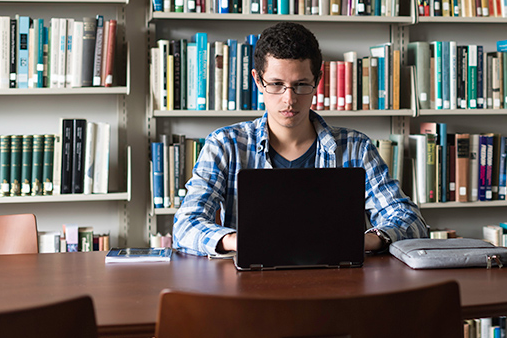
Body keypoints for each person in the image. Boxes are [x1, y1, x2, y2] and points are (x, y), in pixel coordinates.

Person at [173, 21, 428, 256]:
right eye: (275, 84)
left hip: (336, 284)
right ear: (257, 81)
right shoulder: (224, 145)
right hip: (251, 285)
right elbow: (185, 225)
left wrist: (366, 240)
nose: (289, 99)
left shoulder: (356, 148)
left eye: (301, 85)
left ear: (318, 80)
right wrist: (238, 241)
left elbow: (411, 221)